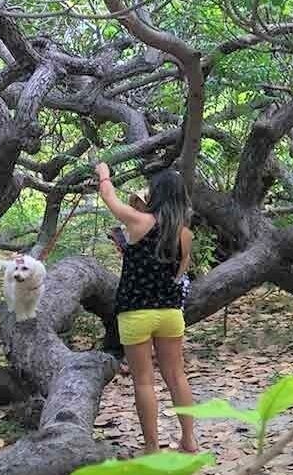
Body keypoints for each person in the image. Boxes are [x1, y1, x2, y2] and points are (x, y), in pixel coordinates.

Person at [96, 162, 198, 454]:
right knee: (177, 376)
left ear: (156, 195)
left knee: (143, 382)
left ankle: (152, 447)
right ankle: (189, 439)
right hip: (170, 313)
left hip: (135, 312)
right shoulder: (185, 234)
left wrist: (104, 171)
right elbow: (179, 275)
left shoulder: (139, 222)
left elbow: (108, 196)